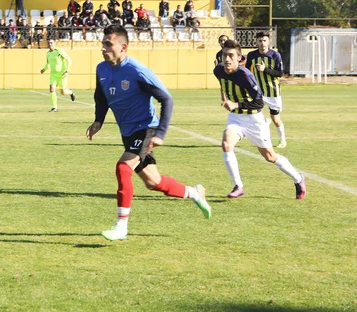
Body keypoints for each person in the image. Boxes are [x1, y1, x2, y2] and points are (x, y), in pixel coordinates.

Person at [86, 25, 211, 241]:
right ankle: (193, 193)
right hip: (128, 132)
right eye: (102, 43)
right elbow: (101, 96)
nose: (103, 48)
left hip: (146, 128)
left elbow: (167, 99)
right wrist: (99, 120)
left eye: (108, 44)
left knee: (123, 168)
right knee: (153, 182)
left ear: (123, 47)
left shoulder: (137, 71)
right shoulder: (101, 69)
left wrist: (160, 133)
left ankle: (121, 226)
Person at [213, 39, 305, 199]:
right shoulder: (218, 70)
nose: (227, 59)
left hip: (254, 119)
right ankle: (238, 186)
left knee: (270, 156)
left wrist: (235, 104)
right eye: (224, 55)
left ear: (238, 58)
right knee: (226, 144)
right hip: (236, 118)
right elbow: (223, 83)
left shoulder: (245, 76)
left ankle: (298, 179)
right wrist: (225, 98)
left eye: (231, 56)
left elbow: (259, 102)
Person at [245, 32, 287, 148]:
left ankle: (282, 140)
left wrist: (265, 69)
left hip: (273, 92)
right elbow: (247, 71)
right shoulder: (252, 55)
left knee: (275, 119)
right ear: (256, 42)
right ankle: (262, 139)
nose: (262, 43)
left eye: (264, 40)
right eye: (260, 41)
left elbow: (280, 73)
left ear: (268, 42)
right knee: (254, 115)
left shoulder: (275, 55)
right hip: (258, 92)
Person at [40, 39, 75, 112]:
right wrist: (44, 69)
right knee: (52, 89)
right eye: (49, 43)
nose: (50, 44)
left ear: (54, 44)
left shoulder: (59, 51)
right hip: (53, 75)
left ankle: (70, 92)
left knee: (63, 92)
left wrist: (67, 70)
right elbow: (48, 63)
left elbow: (69, 60)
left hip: (62, 74)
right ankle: (55, 107)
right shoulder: (48, 53)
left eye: (51, 43)